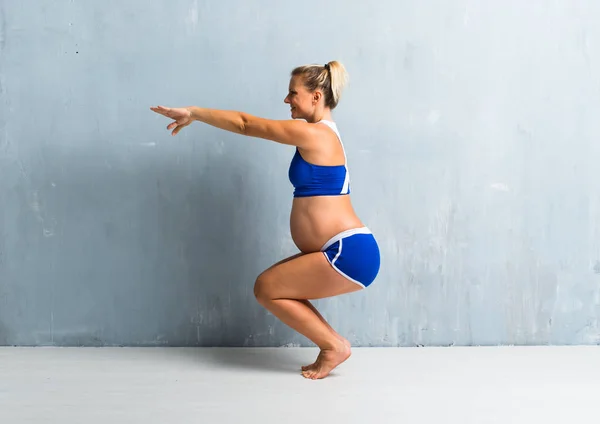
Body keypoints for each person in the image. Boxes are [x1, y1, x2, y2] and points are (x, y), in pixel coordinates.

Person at [150, 61, 380, 379]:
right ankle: (333, 344)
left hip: (348, 252)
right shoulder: (320, 134)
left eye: (292, 93)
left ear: (316, 96)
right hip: (344, 249)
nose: (287, 100)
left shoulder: (315, 134)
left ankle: (334, 345)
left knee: (267, 287)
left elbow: (246, 124)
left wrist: (195, 112)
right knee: (273, 287)